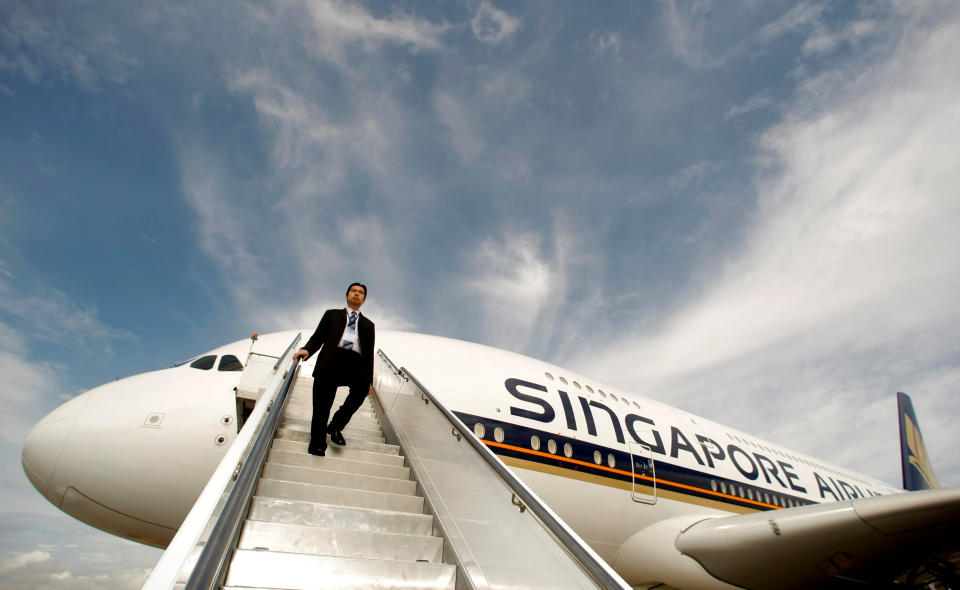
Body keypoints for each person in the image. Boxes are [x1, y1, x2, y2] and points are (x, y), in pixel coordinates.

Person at [293, 283, 375, 456]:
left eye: (360, 293)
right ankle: (318, 444)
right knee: (322, 405)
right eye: (353, 291)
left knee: (360, 391)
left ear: (364, 299)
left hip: (355, 362)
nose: (356, 294)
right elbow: (318, 337)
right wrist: (307, 349)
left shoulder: (369, 325)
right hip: (332, 359)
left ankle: (336, 425)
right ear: (347, 295)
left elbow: (369, 354)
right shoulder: (331, 315)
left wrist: (369, 381)